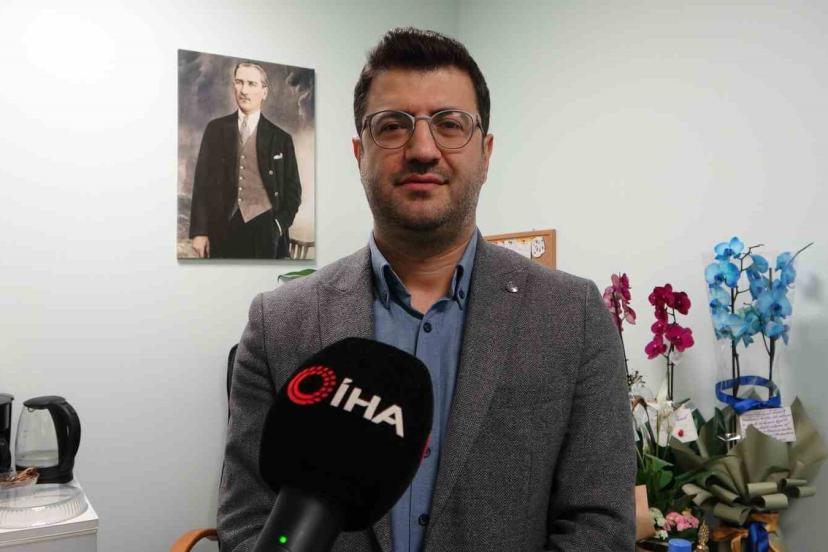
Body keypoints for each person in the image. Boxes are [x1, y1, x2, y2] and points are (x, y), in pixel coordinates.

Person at [218, 28, 635, 551]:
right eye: (392, 126)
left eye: (449, 124)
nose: (422, 149)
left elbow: (600, 526)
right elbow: (245, 522)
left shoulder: (574, 316)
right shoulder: (277, 322)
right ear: (359, 153)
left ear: (486, 153)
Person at [189, 62, 301, 259]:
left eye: (251, 84)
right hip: (223, 229)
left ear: (264, 92)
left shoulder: (281, 139)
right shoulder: (215, 130)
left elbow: (294, 192)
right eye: (239, 82)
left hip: (266, 233)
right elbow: (201, 184)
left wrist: (278, 225)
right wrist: (200, 232)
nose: (244, 90)